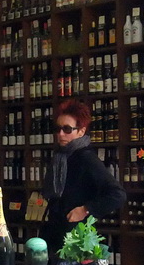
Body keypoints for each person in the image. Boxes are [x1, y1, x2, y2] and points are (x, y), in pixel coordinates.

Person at [41, 98, 125, 255]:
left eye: (67, 129)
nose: (60, 134)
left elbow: (117, 194)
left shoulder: (86, 158)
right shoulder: (61, 156)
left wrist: (86, 209)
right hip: (56, 235)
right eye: (57, 128)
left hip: (77, 240)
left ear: (81, 131)